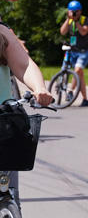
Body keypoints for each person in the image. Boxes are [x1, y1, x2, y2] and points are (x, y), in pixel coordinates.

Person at [1, 20, 54, 200]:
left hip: (3, 118)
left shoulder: (1, 32)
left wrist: (39, 87)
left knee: (7, 190)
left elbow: (24, 65)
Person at [58, 0, 88, 107]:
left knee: (77, 70)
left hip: (84, 51)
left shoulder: (85, 20)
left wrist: (76, 21)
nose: (74, 14)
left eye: (76, 12)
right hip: (72, 51)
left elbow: (83, 32)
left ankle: (70, 91)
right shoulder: (69, 21)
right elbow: (62, 32)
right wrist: (69, 19)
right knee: (79, 75)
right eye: (72, 12)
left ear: (80, 11)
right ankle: (85, 100)